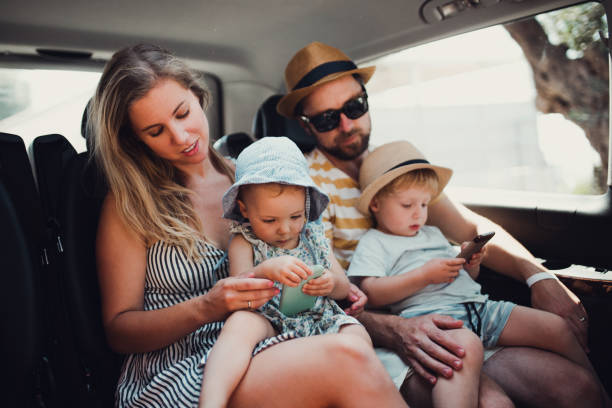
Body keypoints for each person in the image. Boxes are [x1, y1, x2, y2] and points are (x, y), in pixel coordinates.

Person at [276, 41, 601, 408]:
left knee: (579, 389)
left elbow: (468, 228)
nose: (348, 125)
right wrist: (394, 329)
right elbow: (307, 297)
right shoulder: (305, 187)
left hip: (456, 316)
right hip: (381, 337)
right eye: (326, 118)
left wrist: (538, 277)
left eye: (354, 107)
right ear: (305, 124)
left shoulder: (390, 164)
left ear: (367, 99)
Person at [92, 43, 407, 408]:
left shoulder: (257, 179)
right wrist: (206, 307)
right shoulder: (128, 203)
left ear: (198, 97)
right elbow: (119, 331)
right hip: (183, 369)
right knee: (347, 359)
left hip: (274, 341)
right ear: (135, 139)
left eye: (182, 113)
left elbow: (316, 256)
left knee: (356, 347)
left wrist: (338, 288)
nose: (181, 137)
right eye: (155, 131)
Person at [348, 140, 612, 408]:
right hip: (439, 321)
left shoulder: (431, 233)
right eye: (407, 205)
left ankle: (604, 396)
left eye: (425, 204)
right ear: (376, 205)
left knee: (557, 326)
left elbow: (467, 281)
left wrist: (470, 264)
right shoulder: (375, 242)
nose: (419, 213)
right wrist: (424, 276)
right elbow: (371, 292)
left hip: (480, 309)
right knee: (467, 353)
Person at [200, 137, 373, 408]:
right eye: (269, 220)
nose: (285, 229)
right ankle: (212, 401)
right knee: (240, 325)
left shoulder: (313, 234)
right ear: (244, 209)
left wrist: (328, 284)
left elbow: (342, 287)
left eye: (295, 216)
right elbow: (237, 290)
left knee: (357, 334)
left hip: (318, 316)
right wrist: (264, 270)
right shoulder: (245, 241)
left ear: (305, 203)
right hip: (267, 318)